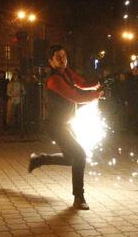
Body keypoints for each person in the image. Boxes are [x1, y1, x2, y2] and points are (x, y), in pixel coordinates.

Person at [27, 45, 102, 210]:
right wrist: (96, 95)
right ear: (51, 61)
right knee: (80, 155)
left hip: (66, 124)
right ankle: (79, 197)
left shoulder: (67, 73)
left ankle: (39, 159)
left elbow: (82, 84)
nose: (63, 59)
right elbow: (75, 96)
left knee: (71, 158)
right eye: (58, 57)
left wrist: (98, 84)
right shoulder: (54, 80)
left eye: (64, 55)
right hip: (54, 125)